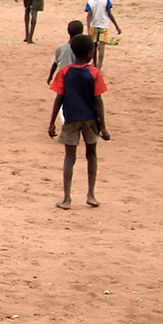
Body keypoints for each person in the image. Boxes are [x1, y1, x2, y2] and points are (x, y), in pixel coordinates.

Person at [48, 34, 109, 208]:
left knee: (70, 157)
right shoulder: (94, 73)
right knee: (92, 155)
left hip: (71, 119)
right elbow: (98, 101)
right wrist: (103, 127)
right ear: (90, 53)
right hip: (90, 119)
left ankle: (67, 198)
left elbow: (59, 98)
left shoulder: (65, 72)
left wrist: (52, 122)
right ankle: (91, 194)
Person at [84, 0, 122, 69]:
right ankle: (99, 67)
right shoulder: (106, 1)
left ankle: (95, 63)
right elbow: (110, 14)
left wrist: (88, 28)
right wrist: (117, 26)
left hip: (93, 26)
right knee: (101, 47)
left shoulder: (90, 2)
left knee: (94, 47)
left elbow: (89, 16)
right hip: (104, 26)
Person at [46, 19, 85, 84]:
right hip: (76, 78)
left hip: (63, 77)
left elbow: (55, 64)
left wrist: (50, 77)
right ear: (82, 32)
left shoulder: (61, 47)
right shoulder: (81, 48)